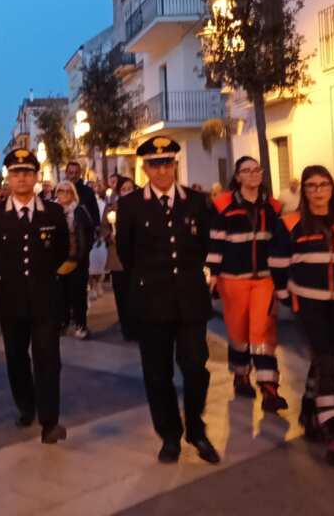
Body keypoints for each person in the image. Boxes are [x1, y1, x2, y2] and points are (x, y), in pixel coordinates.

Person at [115, 136, 219, 465]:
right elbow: (126, 252)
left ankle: (196, 429)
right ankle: (169, 435)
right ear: (145, 168)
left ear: (175, 164)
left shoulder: (196, 201)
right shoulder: (131, 206)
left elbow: (204, 245)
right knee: (157, 374)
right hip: (152, 301)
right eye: (155, 164)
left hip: (190, 300)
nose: (162, 170)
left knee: (196, 369)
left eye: (167, 163)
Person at [268, 166, 334, 467]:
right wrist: (287, 297)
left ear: (332, 190)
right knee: (326, 365)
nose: (318, 191)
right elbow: (277, 264)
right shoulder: (291, 222)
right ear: (304, 191)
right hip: (308, 304)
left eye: (324, 185)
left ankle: (309, 411)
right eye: (311, 186)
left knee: (322, 360)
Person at [0, 149, 70, 443]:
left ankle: (50, 421)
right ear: (8, 177)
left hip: (45, 298)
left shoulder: (53, 212)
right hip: (11, 299)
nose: (22, 178)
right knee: (16, 358)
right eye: (16, 173)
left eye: (27, 173)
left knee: (48, 359)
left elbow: (60, 251)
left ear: (35, 177)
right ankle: (26, 406)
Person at [207, 157, 288, 412]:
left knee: (262, 332)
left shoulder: (273, 208)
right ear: (238, 176)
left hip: (264, 279)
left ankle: (269, 388)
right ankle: (241, 375)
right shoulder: (223, 206)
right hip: (232, 279)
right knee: (239, 334)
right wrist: (212, 276)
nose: (253, 174)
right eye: (247, 170)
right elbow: (215, 243)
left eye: (257, 170)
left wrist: (283, 278)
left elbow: (280, 245)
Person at [54, 181, 93, 339]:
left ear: (73, 193)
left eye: (68, 191)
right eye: (61, 191)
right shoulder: (53, 211)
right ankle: (63, 322)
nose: (64, 194)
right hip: (58, 261)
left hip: (77, 260)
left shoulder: (80, 211)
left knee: (78, 295)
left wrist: (83, 253)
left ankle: (81, 324)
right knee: (60, 295)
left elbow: (89, 234)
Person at [104, 177, 135, 341]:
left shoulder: (139, 207)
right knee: (122, 294)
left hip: (136, 259)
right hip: (117, 259)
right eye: (124, 189)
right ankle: (126, 327)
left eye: (130, 188)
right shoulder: (111, 208)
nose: (127, 192)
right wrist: (110, 236)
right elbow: (103, 228)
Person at [65, 161, 100, 231]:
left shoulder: (88, 191)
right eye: (71, 173)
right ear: (66, 173)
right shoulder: (61, 191)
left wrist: (96, 227)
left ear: (80, 173)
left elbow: (95, 212)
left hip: (85, 232)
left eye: (76, 173)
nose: (74, 175)